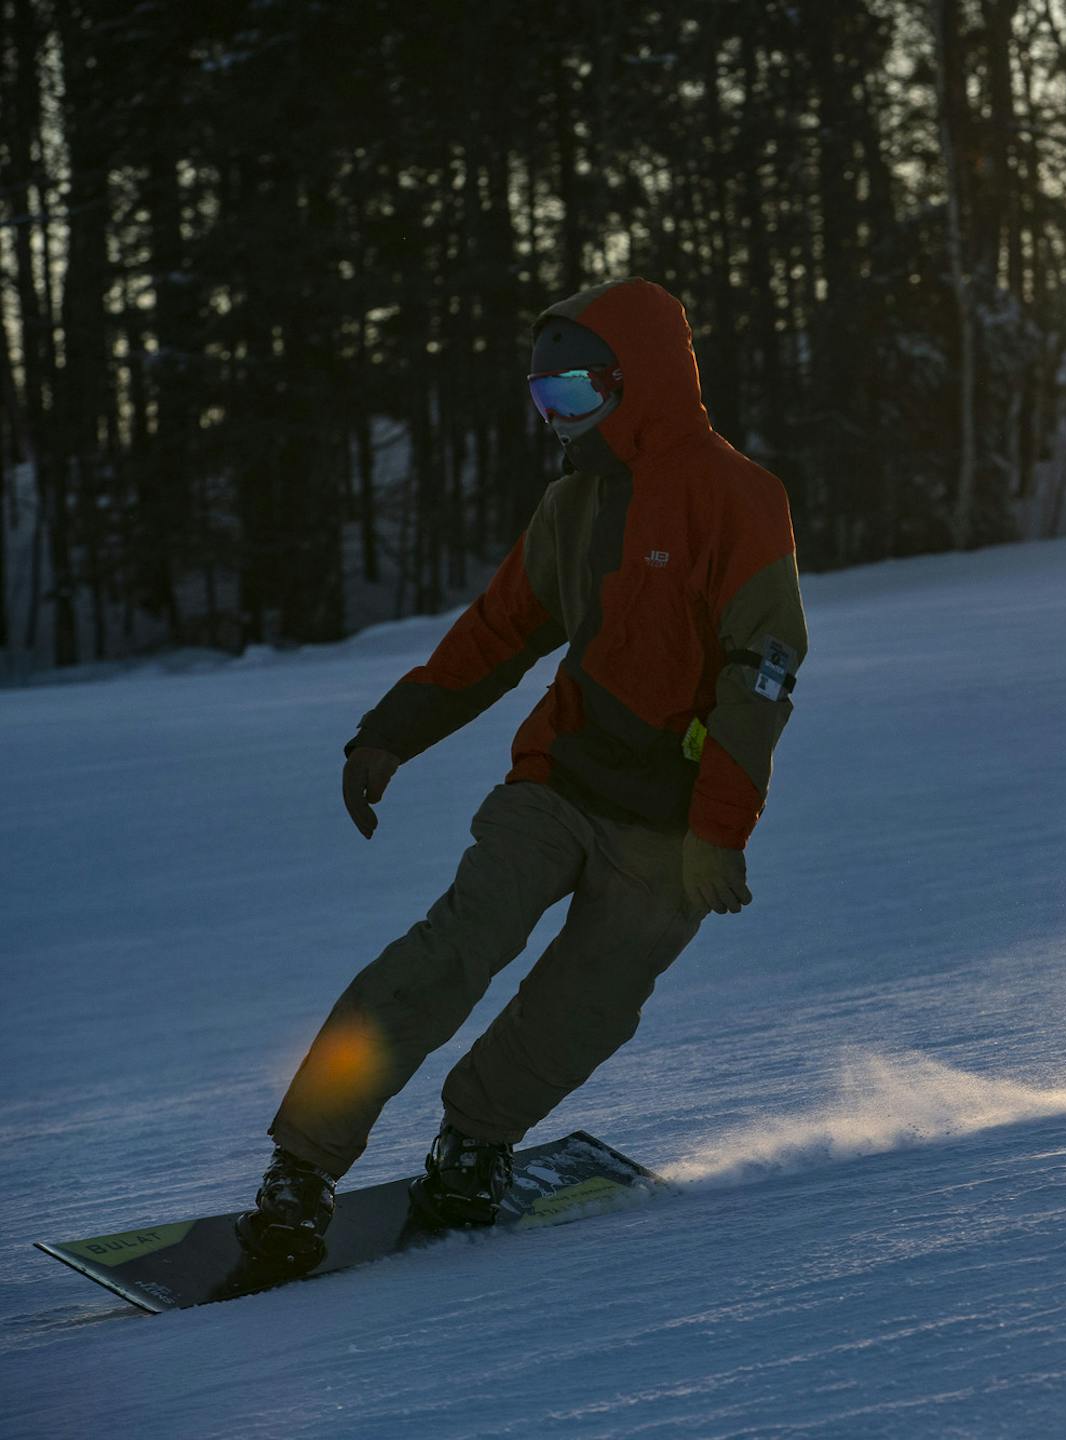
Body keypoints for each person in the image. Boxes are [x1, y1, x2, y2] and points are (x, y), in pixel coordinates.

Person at [238, 278, 808, 1264]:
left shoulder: (739, 500)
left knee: (585, 1005)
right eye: (544, 400)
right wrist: (392, 734)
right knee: (450, 952)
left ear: (641, 383)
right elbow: (500, 632)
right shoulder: (573, 507)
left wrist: (719, 828)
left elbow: (758, 680)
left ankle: (474, 1145)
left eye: (576, 395)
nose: (558, 421)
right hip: (557, 781)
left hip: (669, 831)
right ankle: (301, 1165)